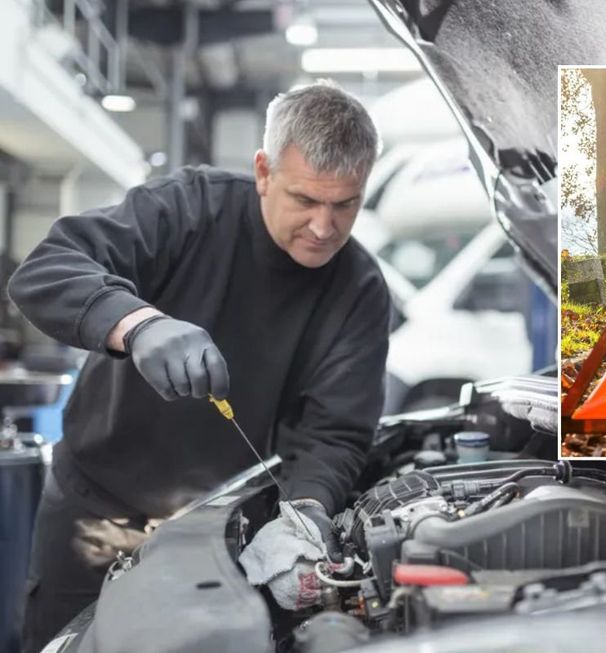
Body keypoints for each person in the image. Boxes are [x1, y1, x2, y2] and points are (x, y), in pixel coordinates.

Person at [8, 80, 390, 652]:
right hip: (94, 517)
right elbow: (46, 271)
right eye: (306, 201)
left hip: (219, 538)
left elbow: (334, 434)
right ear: (263, 172)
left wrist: (305, 516)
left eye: (345, 204)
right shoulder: (188, 209)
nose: (323, 227)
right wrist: (137, 325)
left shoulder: (359, 289)